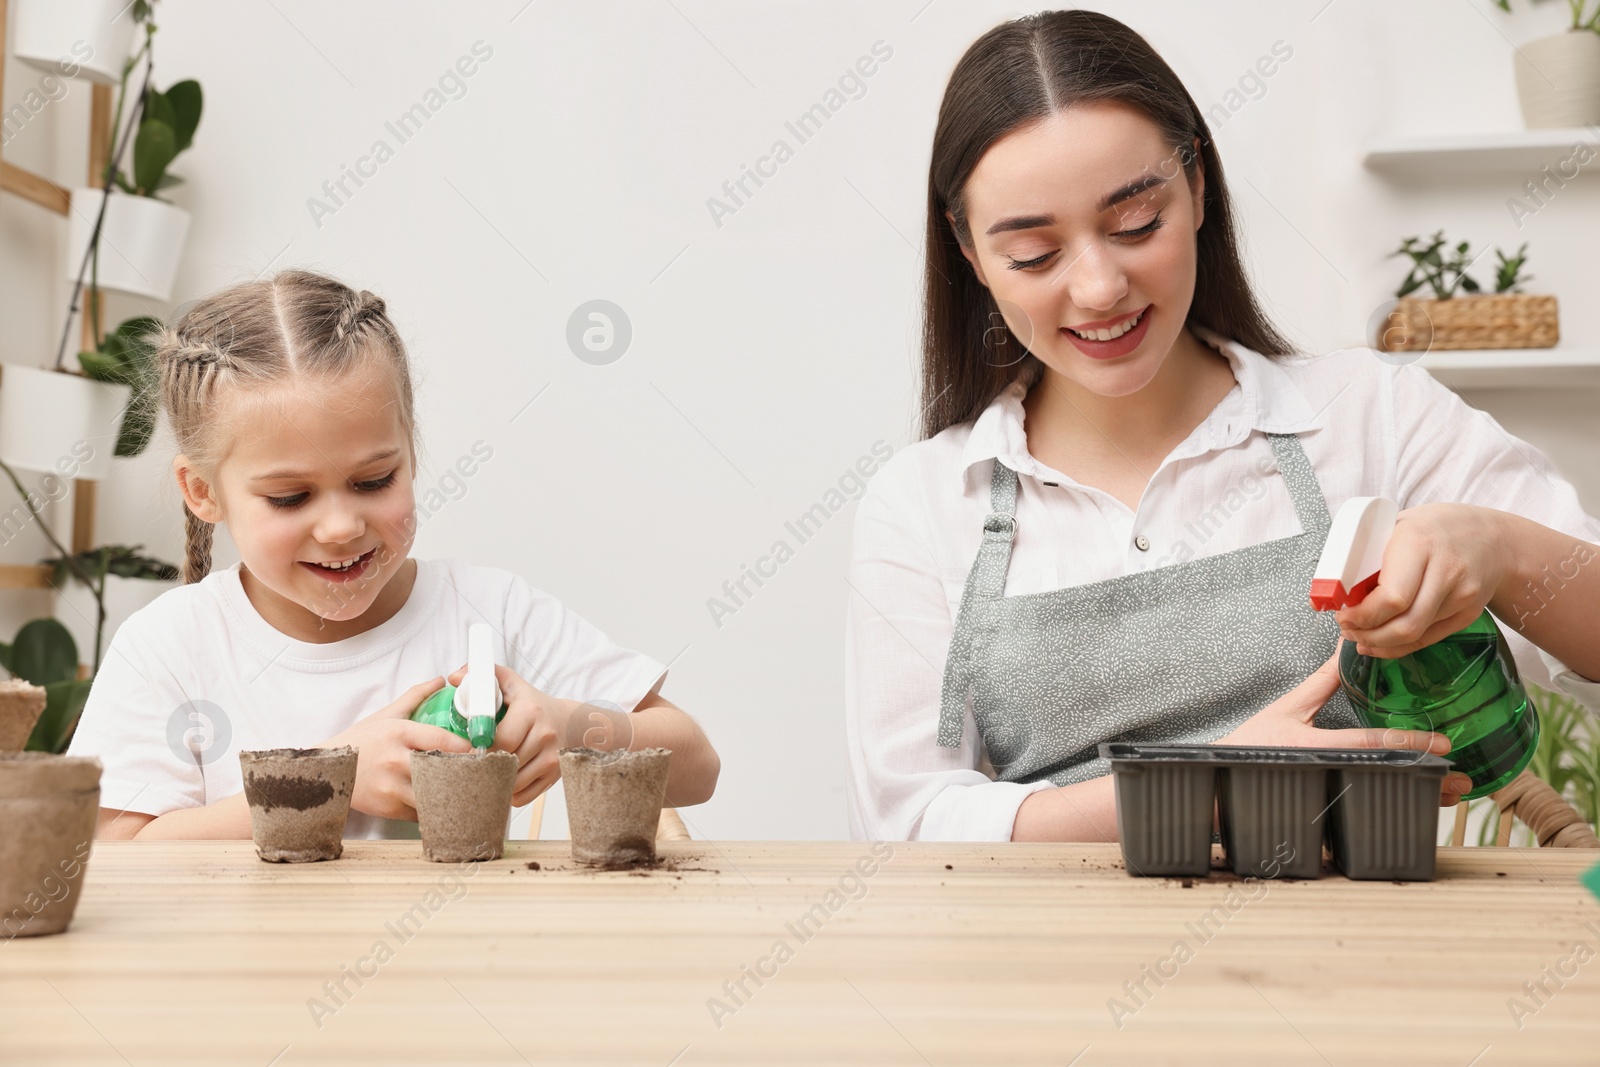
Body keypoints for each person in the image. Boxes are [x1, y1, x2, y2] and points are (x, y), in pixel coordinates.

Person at [844, 9, 1600, 843]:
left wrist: (1499, 545)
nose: (1099, 286)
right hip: (1054, 957)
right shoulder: (923, 503)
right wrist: (1206, 787)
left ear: (1197, 187)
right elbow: (908, 818)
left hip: (1371, 952)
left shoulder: (1371, 413)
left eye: (1136, 224)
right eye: (1034, 253)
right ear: (970, 252)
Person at [71, 269, 719, 840]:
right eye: (291, 496)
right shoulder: (170, 646)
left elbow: (697, 764)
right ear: (203, 492)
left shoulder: (488, 611)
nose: (340, 526)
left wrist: (566, 723)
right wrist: (327, 781)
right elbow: (116, 855)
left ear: (409, 450)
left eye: (374, 480)